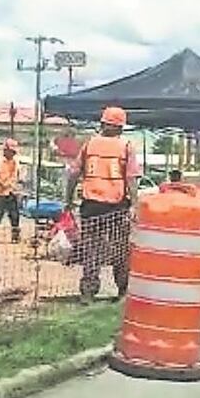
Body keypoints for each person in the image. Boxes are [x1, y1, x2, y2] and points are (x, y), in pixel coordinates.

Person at [64, 106, 139, 302]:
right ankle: (122, 291)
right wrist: (135, 205)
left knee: (91, 249)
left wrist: (68, 200)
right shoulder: (126, 147)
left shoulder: (89, 144)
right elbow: (131, 178)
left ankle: (88, 292)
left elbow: (73, 174)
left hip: (91, 205)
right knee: (120, 249)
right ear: (121, 127)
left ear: (102, 124)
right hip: (117, 206)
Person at [0, 138, 22, 243]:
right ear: (5, 150)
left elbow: (17, 175)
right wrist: (2, 184)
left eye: (13, 152)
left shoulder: (15, 162)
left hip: (11, 191)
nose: (12, 153)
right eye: (10, 151)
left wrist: (14, 184)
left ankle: (15, 236)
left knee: (14, 215)